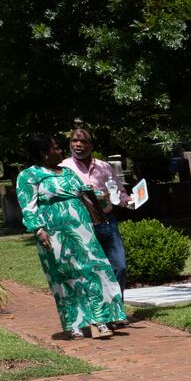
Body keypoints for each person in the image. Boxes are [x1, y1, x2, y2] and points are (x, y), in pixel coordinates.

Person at [16, 133, 126, 339]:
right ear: (43, 153)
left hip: (84, 231)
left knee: (95, 271)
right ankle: (75, 323)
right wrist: (38, 230)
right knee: (67, 276)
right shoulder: (28, 176)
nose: (60, 151)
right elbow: (28, 206)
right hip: (55, 234)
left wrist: (101, 198)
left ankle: (100, 319)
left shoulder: (67, 172)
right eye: (56, 148)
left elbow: (85, 196)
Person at [63, 126, 129, 306]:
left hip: (107, 223)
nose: (78, 145)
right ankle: (100, 313)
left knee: (119, 266)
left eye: (83, 141)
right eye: (74, 141)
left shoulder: (104, 167)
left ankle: (116, 308)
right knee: (92, 271)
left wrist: (128, 200)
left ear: (90, 145)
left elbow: (119, 192)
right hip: (82, 225)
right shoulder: (63, 168)